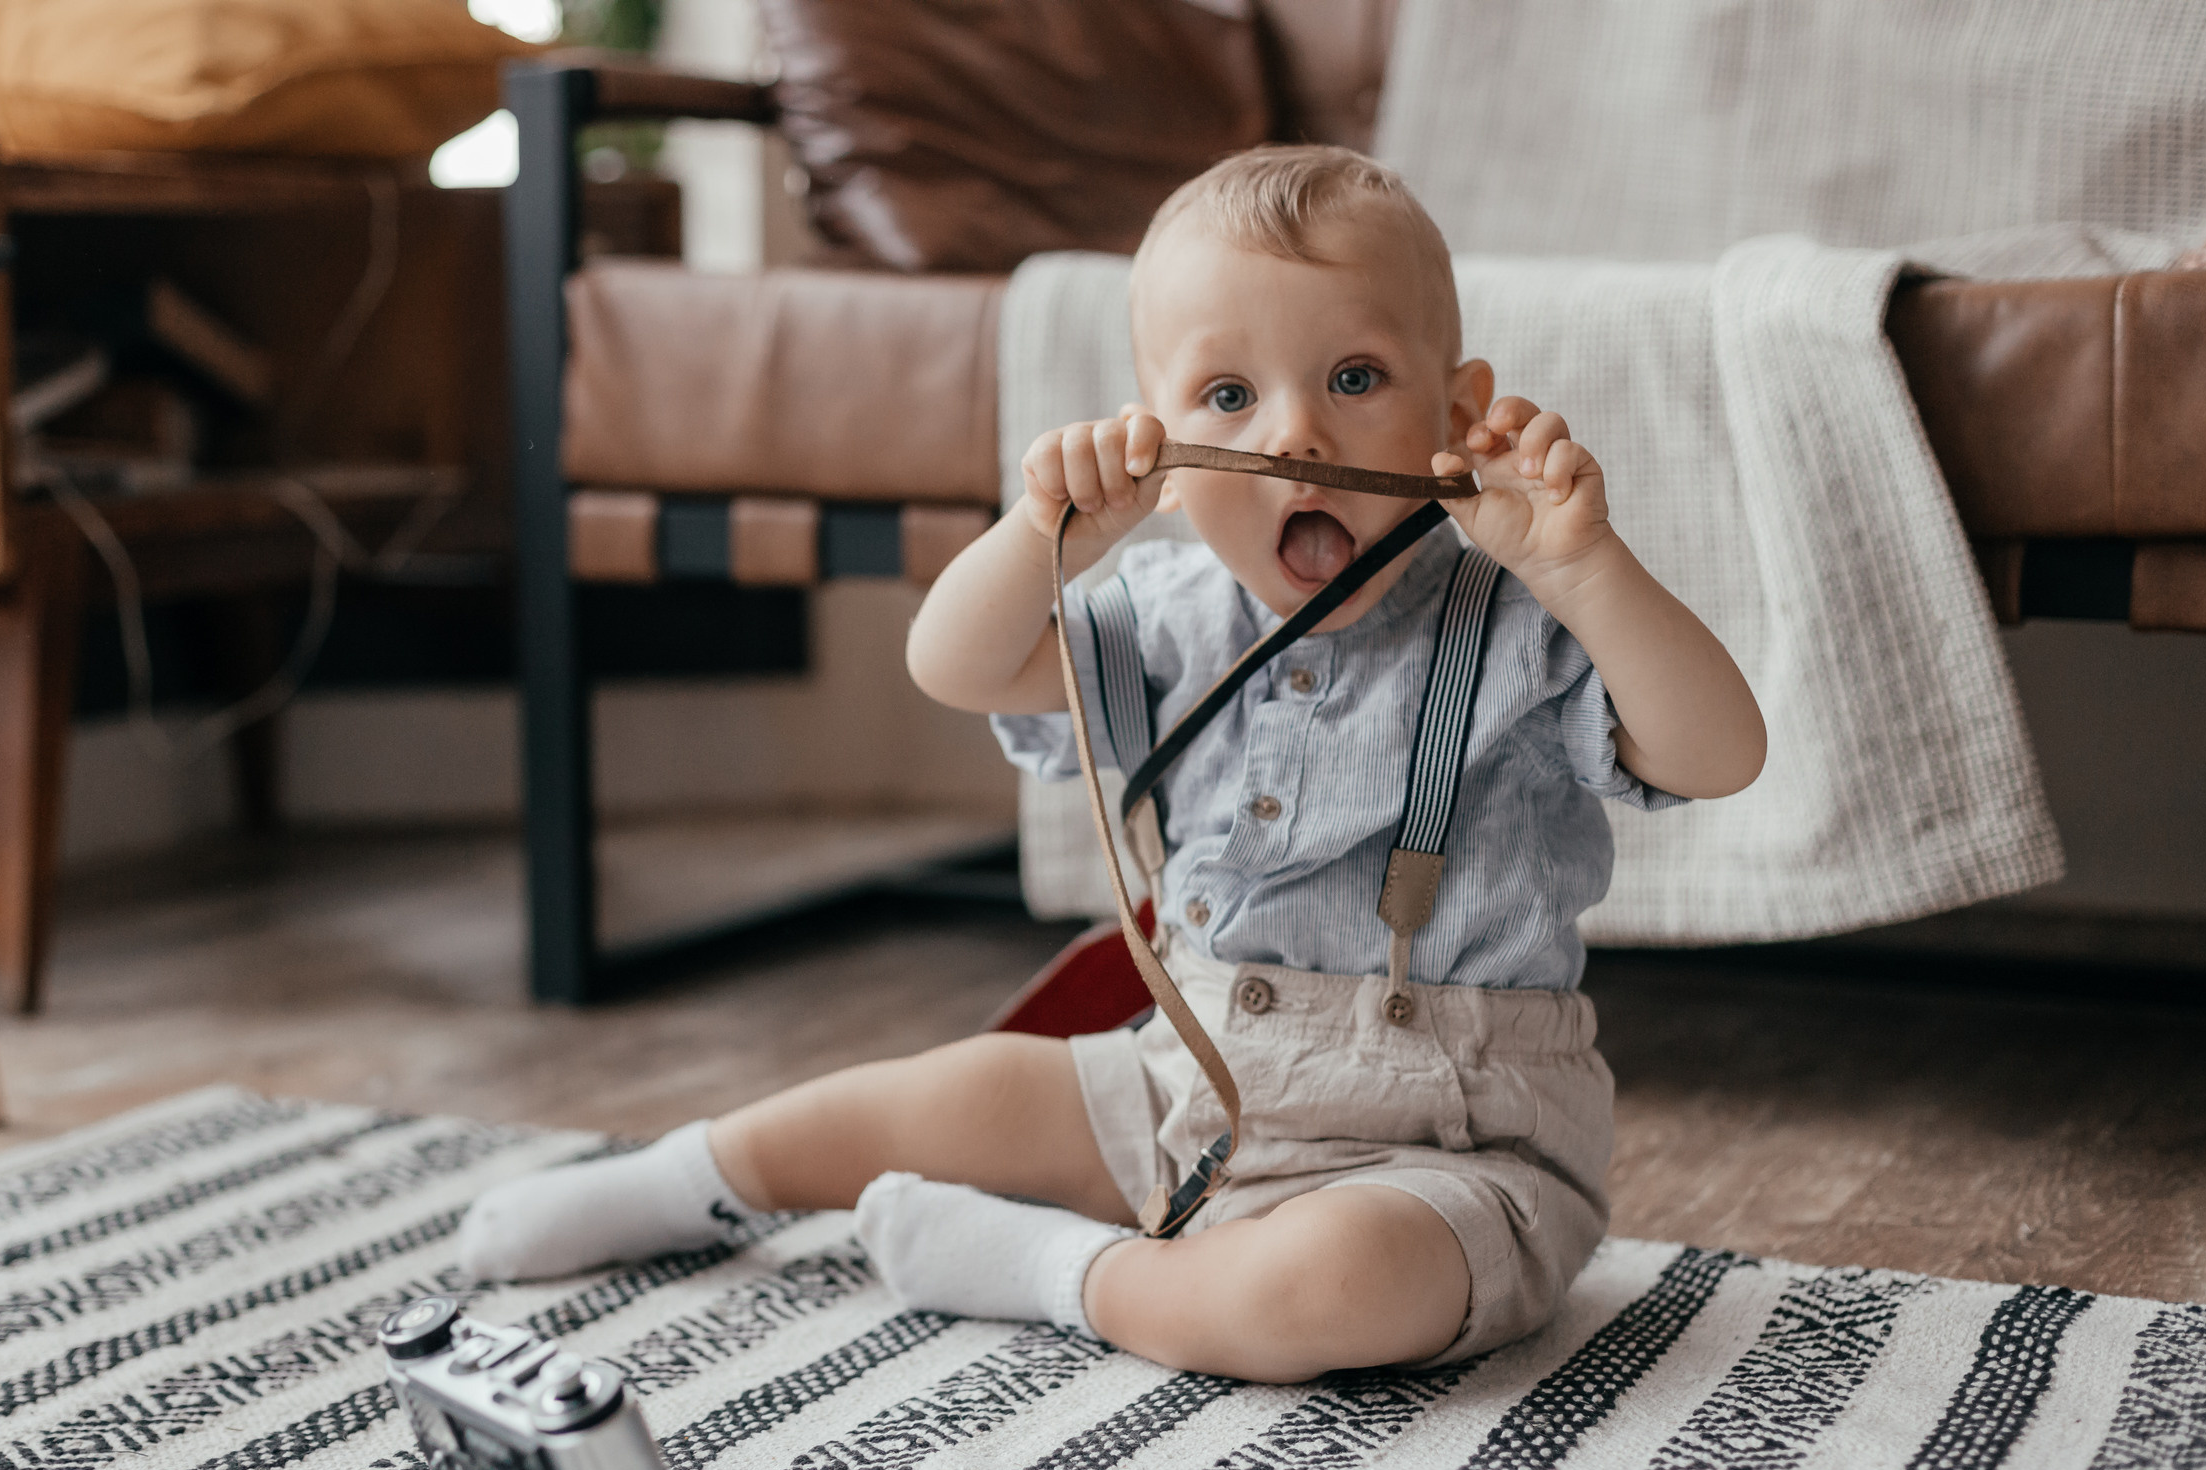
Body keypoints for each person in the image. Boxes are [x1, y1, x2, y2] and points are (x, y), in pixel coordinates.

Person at [461, 146, 1765, 1383]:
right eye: (1227, 398)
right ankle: (686, 1182)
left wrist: (1584, 564)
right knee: (952, 1092)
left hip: (1450, 1148)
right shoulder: (1165, 611)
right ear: (1159, 436)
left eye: (1355, 379)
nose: (1288, 436)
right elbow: (955, 664)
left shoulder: (1523, 623)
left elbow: (1721, 754)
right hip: (1182, 1085)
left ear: (1458, 410)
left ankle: (1062, 1272)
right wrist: (1045, 536)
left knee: (1323, 1289)